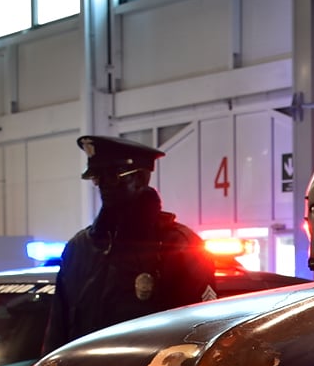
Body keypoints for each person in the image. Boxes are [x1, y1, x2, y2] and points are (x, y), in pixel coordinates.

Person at [42, 134, 208, 351]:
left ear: (140, 179)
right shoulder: (79, 248)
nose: (104, 187)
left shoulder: (179, 246)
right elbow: (57, 332)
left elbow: (199, 336)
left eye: (113, 177)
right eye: (98, 178)